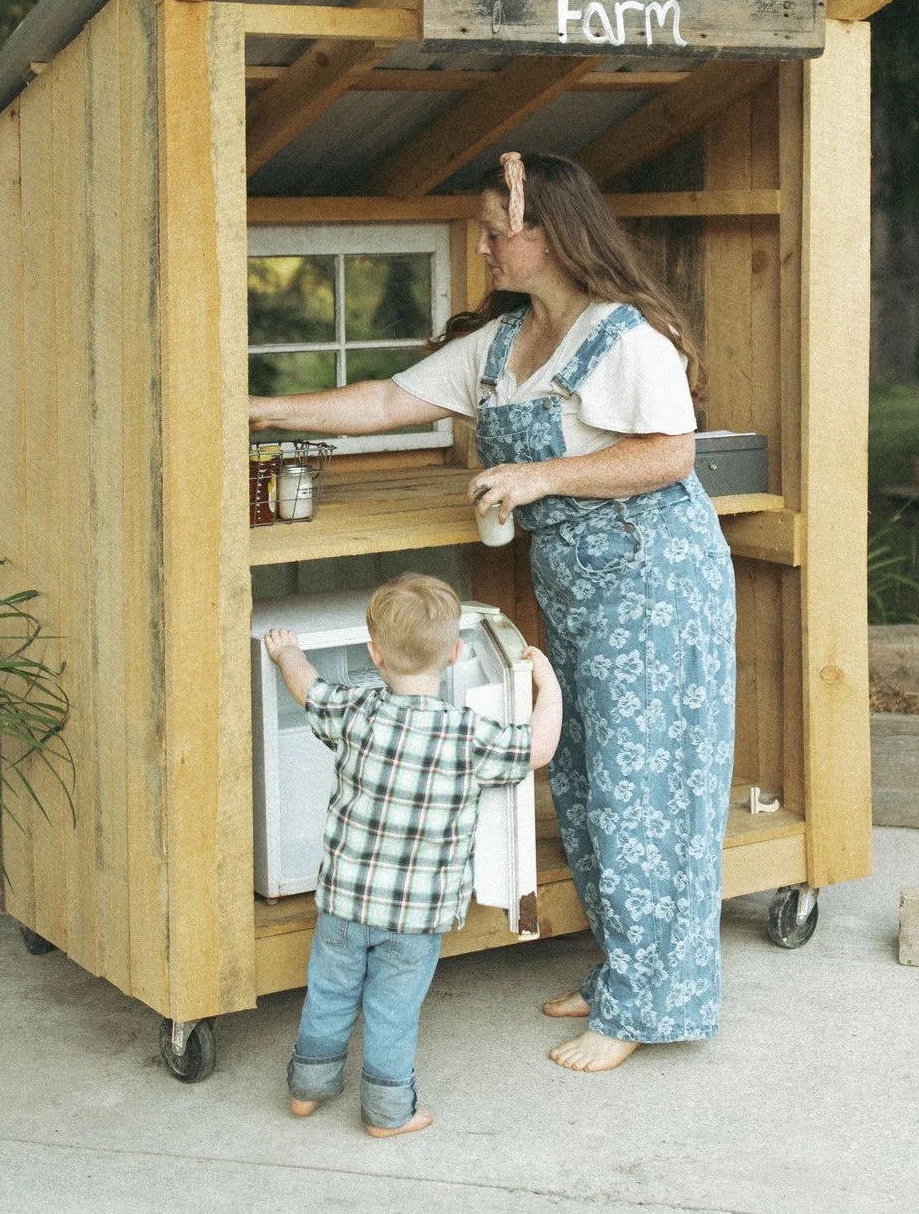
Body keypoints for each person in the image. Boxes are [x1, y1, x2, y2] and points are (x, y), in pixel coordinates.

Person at [249, 151, 735, 1075]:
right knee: (589, 788)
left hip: (657, 585)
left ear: (545, 232)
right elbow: (391, 398)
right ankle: (623, 970)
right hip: (583, 585)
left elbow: (672, 453)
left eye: (490, 229)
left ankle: (650, 1001)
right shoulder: (503, 342)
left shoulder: (621, 336)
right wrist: (265, 408)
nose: (479, 246)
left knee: (647, 792)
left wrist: (540, 475)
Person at [266, 572, 564, 1136]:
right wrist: (547, 687)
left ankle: (307, 1088)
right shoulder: (467, 736)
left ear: (373, 654)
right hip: (416, 918)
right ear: (455, 655)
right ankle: (386, 1112)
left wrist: (288, 652)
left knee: (328, 993)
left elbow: (307, 686)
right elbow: (538, 748)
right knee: (391, 1010)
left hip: (343, 903)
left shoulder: (355, 711)